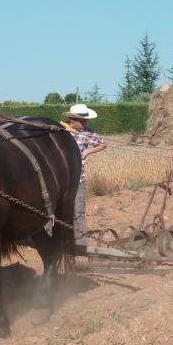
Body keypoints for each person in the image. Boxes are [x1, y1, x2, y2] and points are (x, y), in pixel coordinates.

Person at [62, 104, 106, 245]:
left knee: (78, 211)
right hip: (60, 180)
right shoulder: (61, 131)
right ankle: (55, 239)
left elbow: (103, 144)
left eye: (86, 121)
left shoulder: (88, 133)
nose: (85, 123)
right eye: (83, 121)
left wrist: (87, 152)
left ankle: (81, 243)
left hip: (78, 179)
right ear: (72, 120)